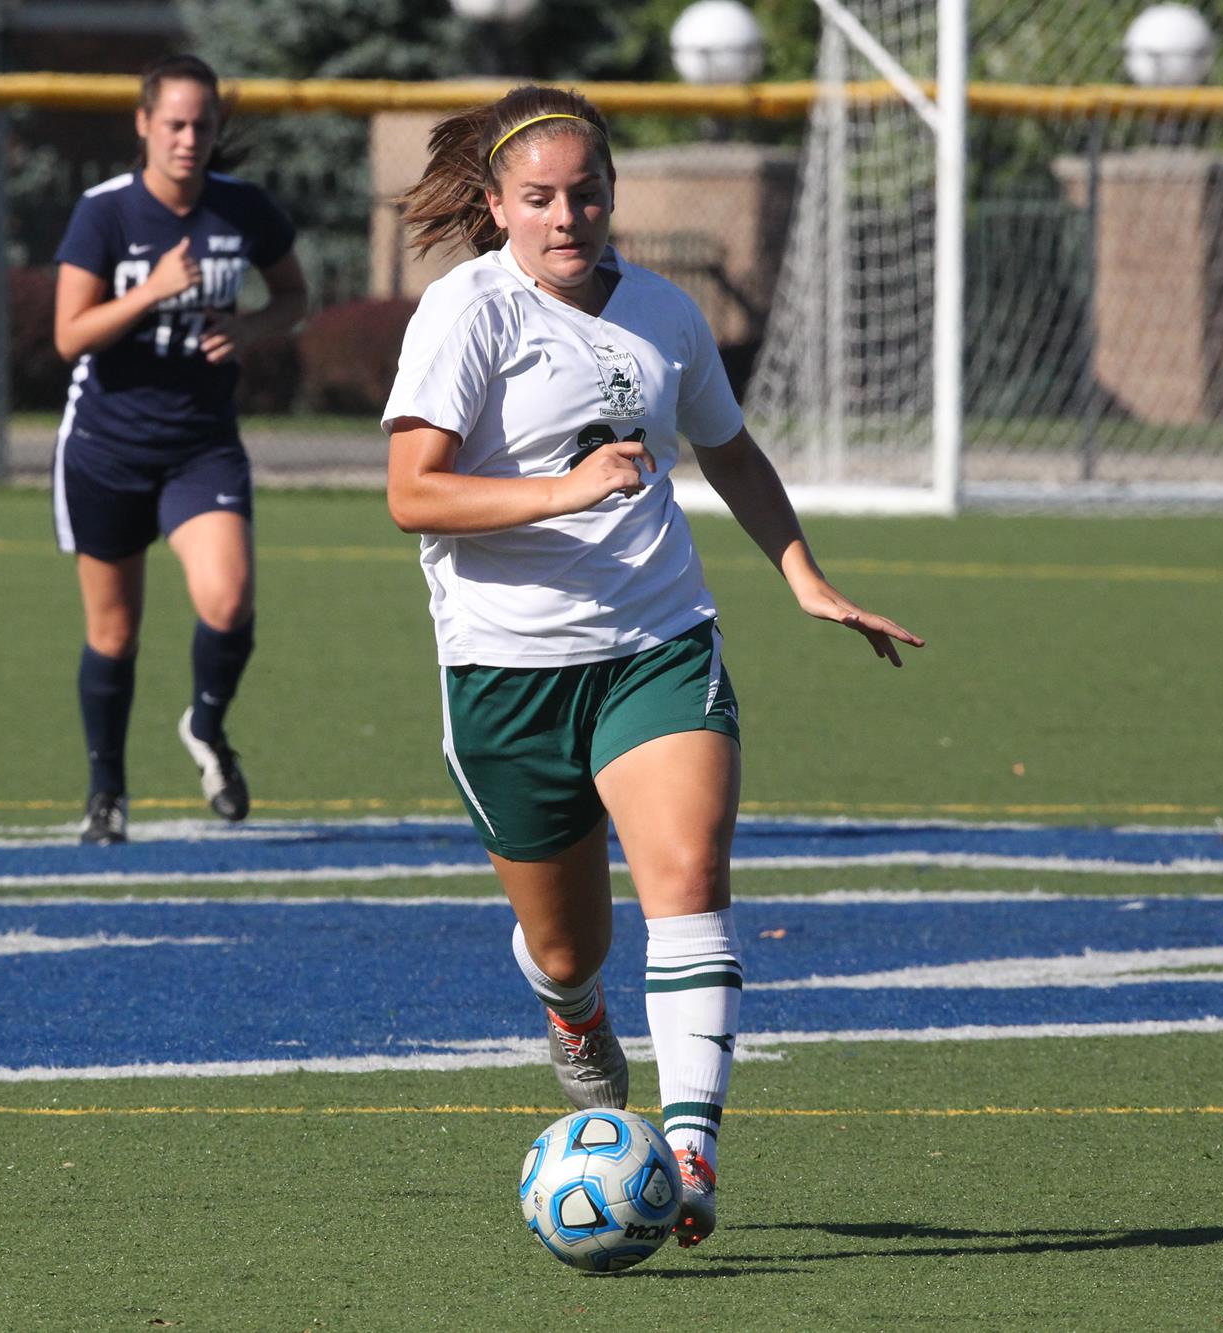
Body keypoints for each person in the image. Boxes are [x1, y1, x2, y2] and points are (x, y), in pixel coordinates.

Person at [382, 86, 923, 1250]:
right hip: (506, 672)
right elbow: (410, 494)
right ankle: (572, 1012)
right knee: (571, 949)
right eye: (539, 199)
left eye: (586, 194)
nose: (566, 216)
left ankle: (687, 1146)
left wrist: (800, 574)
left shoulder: (663, 315)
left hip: (657, 645)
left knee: (686, 870)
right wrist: (564, 490)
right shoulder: (462, 313)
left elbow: (727, 448)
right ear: (496, 207)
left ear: (613, 196)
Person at [52, 55, 307, 845]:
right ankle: (107, 792)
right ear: (143, 125)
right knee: (114, 631)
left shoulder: (243, 209)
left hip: (201, 446)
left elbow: (296, 295)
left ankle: (206, 723)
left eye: (202, 124)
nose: (188, 138)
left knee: (228, 602)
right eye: (174, 123)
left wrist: (254, 327)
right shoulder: (105, 214)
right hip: (107, 445)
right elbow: (68, 337)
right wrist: (149, 292)